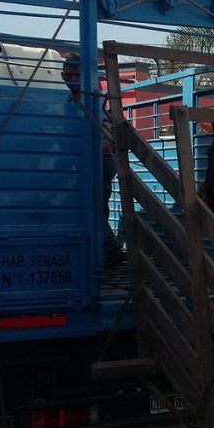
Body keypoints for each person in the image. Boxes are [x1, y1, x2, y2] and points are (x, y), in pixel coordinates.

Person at [60, 52, 125, 268]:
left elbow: (97, 130)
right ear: (62, 76)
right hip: (98, 160)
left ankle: (110, 250)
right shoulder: (76, 98)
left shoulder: (88, 98)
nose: (72, 80)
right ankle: (102, 252)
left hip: (99, 160)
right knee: (99, 204)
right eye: (68, 75)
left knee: (92, 205)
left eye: (76, 75)